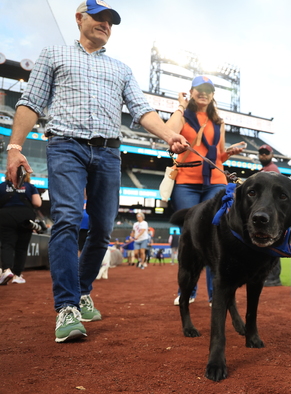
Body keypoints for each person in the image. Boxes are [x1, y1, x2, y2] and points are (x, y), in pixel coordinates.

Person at [5, 1, 188, 343]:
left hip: (108, 152)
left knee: (102, 229)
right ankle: (67, 307)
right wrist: (14, 148)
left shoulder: (120, 68)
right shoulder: (54, 54)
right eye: (99, 18)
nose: (106, 24)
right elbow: (30, 102)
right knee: (68, 219)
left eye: (111, 21)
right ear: (80, 18)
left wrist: (168, 135)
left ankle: (83, 290)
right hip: (66, 146)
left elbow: (142, 110)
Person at [166, 75, 245, 306]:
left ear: (213, 95)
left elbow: (218, 154)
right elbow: (168, 133)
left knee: (216, 235)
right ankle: (188, 290)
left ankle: (216, 293)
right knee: (189, 235)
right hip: (186, 181)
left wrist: (227, 153)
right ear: (191, 92)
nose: (203, 93)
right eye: (199, 89)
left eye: (208, 90)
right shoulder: (184, 116)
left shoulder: (218, 122)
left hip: (216, 182)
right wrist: (180, 106)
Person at [0, 172, 42, 285]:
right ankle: (17, 275)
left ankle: (6, 270)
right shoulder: (30, 186)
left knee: (7, 244)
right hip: (25, 217)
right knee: (21, 247)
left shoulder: (2, 186)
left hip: (6, 216)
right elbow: (37, 203)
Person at [257, 144, 283, 287]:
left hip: (271, 213)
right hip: (268, 212)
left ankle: (273, 278)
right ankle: (272, 277)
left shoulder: (271, 170)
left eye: (266, 153)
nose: (263, 155)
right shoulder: (265, 170)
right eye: (261, 153)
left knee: (271, 246)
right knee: (269, 245)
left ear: (271, 154)